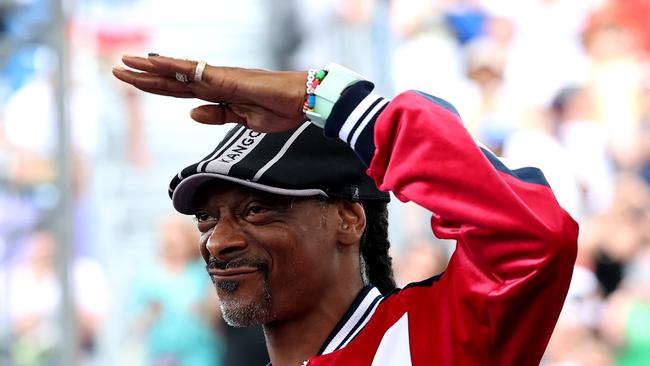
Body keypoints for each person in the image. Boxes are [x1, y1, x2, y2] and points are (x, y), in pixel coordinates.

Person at [112, 55, 578, 365]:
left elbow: (534, 236)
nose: (219, 241)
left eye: (256, 210)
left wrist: (328, 98)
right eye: (207, 218)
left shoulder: (428, 337)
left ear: (348, 218)